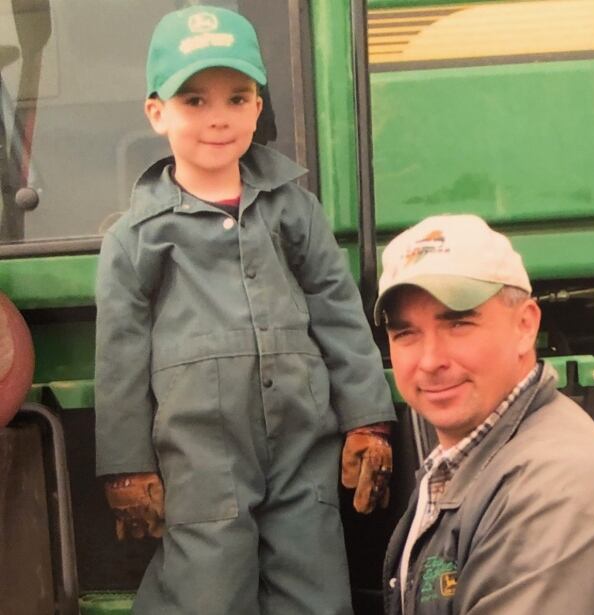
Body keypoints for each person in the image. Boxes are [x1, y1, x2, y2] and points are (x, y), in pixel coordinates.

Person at [93, 6, 395, 614]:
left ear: (258, 107)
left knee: (315, 580)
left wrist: (368, 419)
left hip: (303, 441)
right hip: (202, 451)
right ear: (158, 114)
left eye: (237, 98)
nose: (218, 119)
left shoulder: (296, 210)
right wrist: (126, 468)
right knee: (207, 585)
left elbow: (339, 313)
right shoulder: (135, 237)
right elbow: (120, 356)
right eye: (195, 102)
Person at [375, 214, 594, 615]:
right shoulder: (463, 466)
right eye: (406, 334)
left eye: (458, 324)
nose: (431, 360)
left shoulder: (563, 491)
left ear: (525, 326)